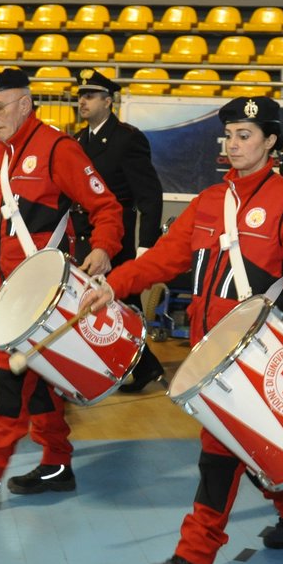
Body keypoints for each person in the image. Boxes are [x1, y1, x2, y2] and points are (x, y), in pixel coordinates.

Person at [80, 96, 283, 564]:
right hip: (208, 348)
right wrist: (115, 284)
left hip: (256, 350)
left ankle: (195, 555)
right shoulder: (209, 202)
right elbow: (164, 260)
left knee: (218, 452)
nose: (234, 144)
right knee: (255, 441)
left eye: (245, 135)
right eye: (230, 135)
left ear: (270, 143)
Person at [0, 67, 123, 509]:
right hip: (6, 295)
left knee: (10, 383)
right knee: (38, 386)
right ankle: (57, 463)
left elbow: (106, 206)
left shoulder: (59, 149)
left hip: (42, 297)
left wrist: (104, 248)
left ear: (25, 103)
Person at [71, 67, 166, 393]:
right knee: (96, 302)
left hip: (117, 236)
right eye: (81, 95)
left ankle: (142, 365)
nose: (83, 101)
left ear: (108, 101)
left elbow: (149, 194)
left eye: (91, 95)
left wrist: (146, 245)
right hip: (84, 234)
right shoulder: (78, 140)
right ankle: (143, 366)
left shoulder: (127, 138)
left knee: (122, 303)